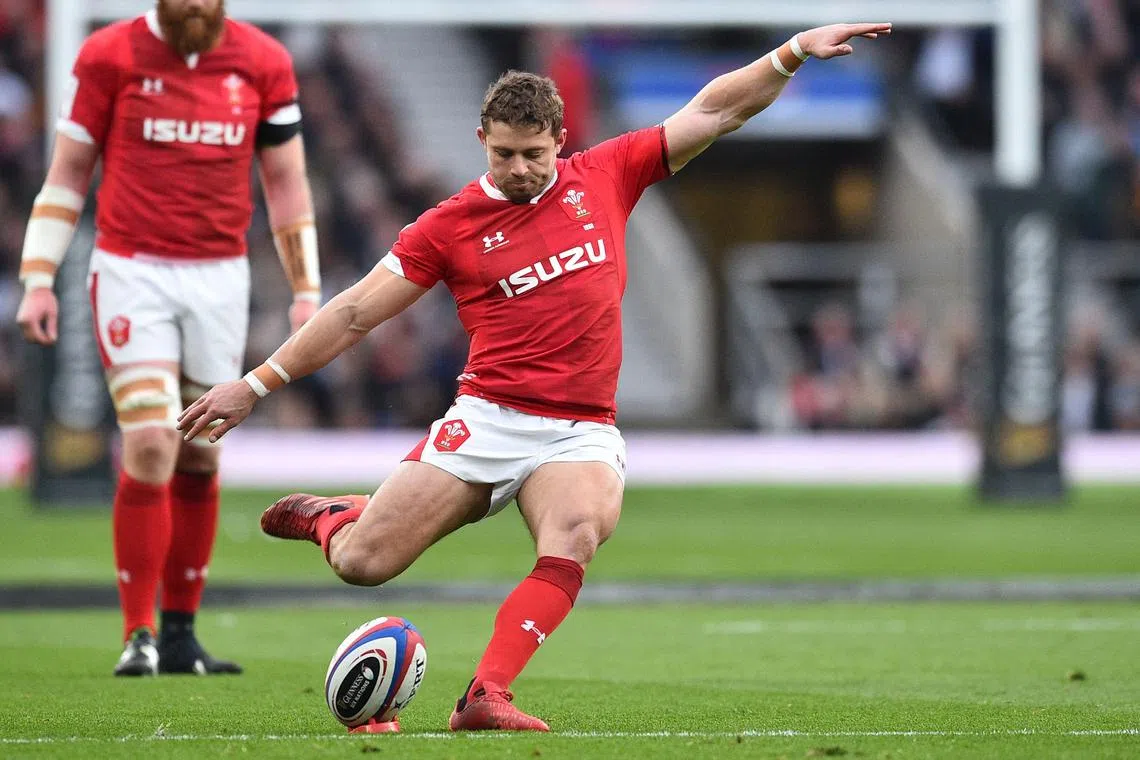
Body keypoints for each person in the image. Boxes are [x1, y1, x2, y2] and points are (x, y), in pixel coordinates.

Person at [180, 22, 892, 732]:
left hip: (580, 428)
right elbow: (359, 310)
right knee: (365, 563)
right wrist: (258, 383)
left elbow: (714, 110)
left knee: (577, 531)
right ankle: (336, 518)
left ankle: (485, 695)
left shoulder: (606, 173)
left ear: (560, 139)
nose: (518, 169)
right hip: (488, 418)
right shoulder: (448, 226)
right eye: (502, 154)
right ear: (482, 141)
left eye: (532, 154)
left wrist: (791, 53)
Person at [16, 0, 321, 677]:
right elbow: (68, 172)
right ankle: (139, 634)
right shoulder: (109, 56)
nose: (193, 4)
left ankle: (182, 635)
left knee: (201, 454)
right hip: (132, 271)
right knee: (152, 441)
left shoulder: (264, 61)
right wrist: (38, 277)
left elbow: (286, 180)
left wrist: (306, 290)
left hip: (220, 277)